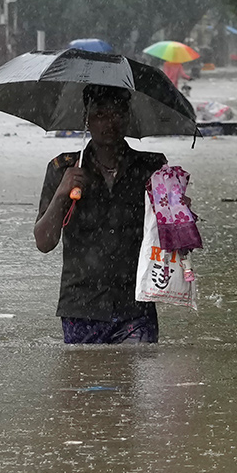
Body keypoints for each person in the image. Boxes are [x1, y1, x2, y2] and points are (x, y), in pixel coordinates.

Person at [34, 84, 167, 344]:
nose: (110, 122)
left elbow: (174, 240)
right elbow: (44, 242)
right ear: (86, 119)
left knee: (137, 380)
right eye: (100, 114)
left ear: (129, 117)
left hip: (135, 305)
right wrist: (62, 192)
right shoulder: (63, 168)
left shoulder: (152, 169)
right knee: (84, 380)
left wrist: (176, 209)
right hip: (81, 307)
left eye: (118, 113)